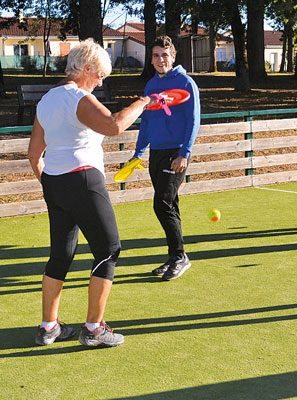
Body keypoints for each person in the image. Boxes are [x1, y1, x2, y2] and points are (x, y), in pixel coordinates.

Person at [27, 39, 156, 347]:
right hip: (83, 180)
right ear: (85, 69)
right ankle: (94, 329)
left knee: (60, 256)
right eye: (99, 75)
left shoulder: (46, 101)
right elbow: (113, 125)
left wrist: (50, 183)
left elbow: (34, 154)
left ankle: (49, 327)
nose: (100, 82)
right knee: (109, 249)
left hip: (55, 183)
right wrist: (143, 103)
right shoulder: (78, 97)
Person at [133, 35, 201, 281]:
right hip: (156, 153)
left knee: (161, 203)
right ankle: (175, 256)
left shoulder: (185, 82)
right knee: (170, 203)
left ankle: (180, 256)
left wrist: (185, 152)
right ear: (151, 60)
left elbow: (194, 120)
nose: (161, 59)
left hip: (176, 152)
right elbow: (146, 123)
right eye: (156, 55)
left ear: (173, 56)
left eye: (165, 55)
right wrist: (137, 153)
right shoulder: (151, 86)